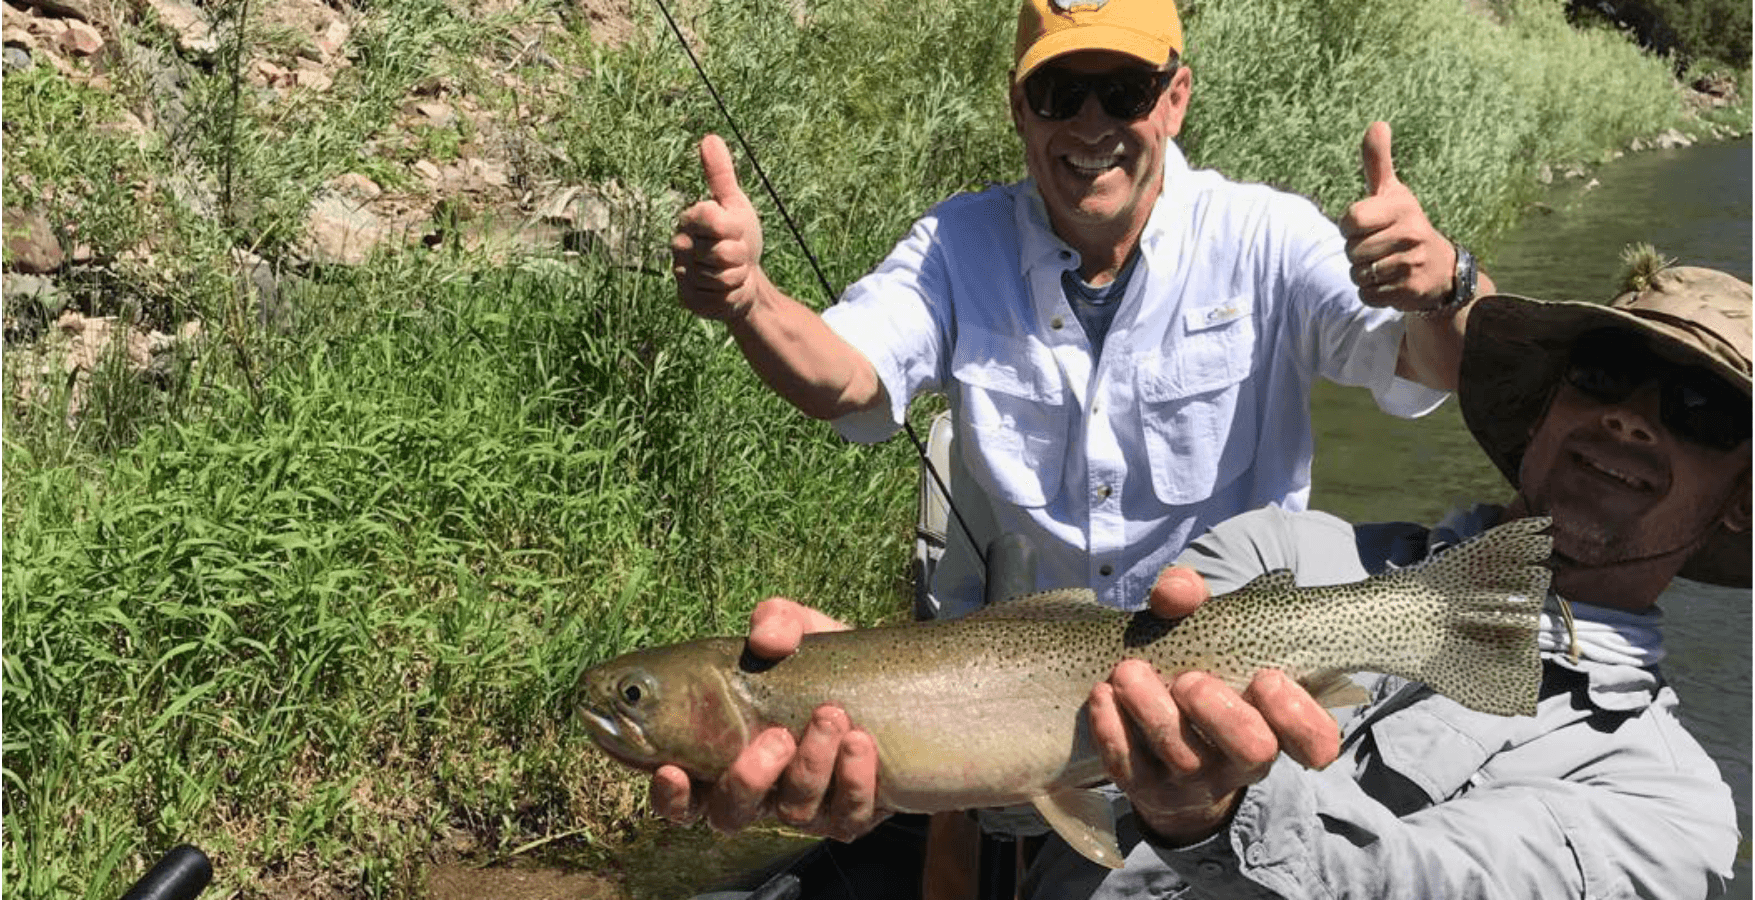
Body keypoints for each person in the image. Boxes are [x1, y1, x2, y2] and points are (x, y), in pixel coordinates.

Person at [662, 0, 1494, 863]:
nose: (1092, 123)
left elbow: (1434, 363)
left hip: (1230, 699)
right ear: (1019, 107)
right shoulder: (957, 244)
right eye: (1060, 92)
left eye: (1124, 91)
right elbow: (845, 376)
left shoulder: (1265, 237)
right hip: (1008, 714)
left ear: (1174, 98)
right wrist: (749, 299)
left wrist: (1448, 285)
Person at [1045, 258, 1749, 897]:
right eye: (1604, 372)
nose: (1629, 419)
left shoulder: (1666, 806)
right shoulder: (1275, 552)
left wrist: (1215, 810)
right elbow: (1068, 762)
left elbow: (1430, 883)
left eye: (1702, 410)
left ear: (1741, 504)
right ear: (1542, 409)